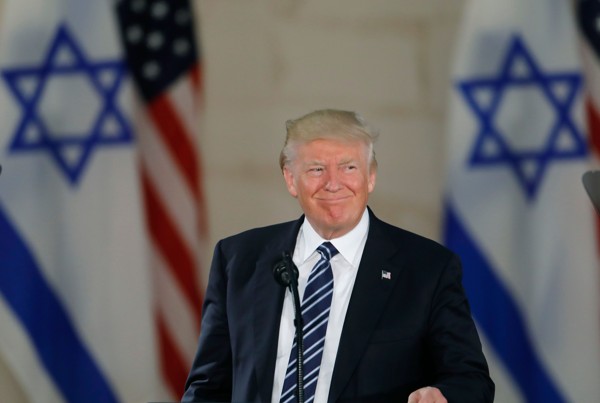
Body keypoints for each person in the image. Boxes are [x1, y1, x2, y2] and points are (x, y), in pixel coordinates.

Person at [182, 109, 494, 403]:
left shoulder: (427, 268)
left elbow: (471, 380)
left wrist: (443, 395)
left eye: (348, 167)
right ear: (291, 179)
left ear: (370, 177)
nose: (333, 183)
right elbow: (208, 386)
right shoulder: (238, 259)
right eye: (316, 169)